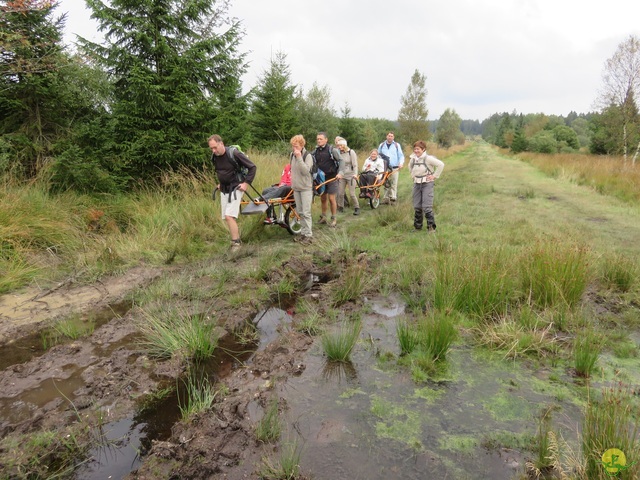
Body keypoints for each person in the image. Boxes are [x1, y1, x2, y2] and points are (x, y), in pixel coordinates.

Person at [208, 135, 257, 250]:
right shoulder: (215, 157)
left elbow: (252, 167)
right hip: (224, 189)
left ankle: (236, 243)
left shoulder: (234, 154)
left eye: (215, 147)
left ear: (221, 143)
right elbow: (222, 171)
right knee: (227, 217)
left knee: (229, 216)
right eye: (211, 148)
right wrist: (221, 183)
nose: (213, 151)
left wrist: (246, 184)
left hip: (236, 188)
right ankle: (236, 239)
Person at [409, 140, 444, 231]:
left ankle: (431, 228)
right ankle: (417, 227)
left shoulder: (428, 158)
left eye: (418, 149)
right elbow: (410, 167)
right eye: (415, 149)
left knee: (427, 206)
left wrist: (434, 176)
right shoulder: (413, 159)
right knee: (417, 206)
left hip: (427, 184)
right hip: (417, 183)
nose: (416, 151)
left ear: (423, 149)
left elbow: (441, 164)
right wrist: (413, 176)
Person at [311, 132, 343, 227]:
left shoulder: (332, 150)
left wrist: (340, 173)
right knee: (323, 198)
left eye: (321, 139)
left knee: (331, 198)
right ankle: (323, 217)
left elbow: (341, 161)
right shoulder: (315, 151)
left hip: (332, 177)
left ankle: (334, 219)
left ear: (326, 139)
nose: (319, 140)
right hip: (321, 179)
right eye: (318, 139)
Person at [290, 134, 314, 244]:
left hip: (306, 188)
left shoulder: (307, 155)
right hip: (296, 188)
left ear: (302, 145)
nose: (294, 149)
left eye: (297, 146)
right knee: (300, 212)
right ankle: (303, 234)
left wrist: (299, 157)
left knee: (306, 212)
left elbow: (305, 171)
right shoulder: (291, 155)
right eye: (293, 146)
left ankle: (309, 235)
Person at [378, 131, 405, 204]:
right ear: (386, 136)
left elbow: (401, 155)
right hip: (385, 167)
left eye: (391, 136)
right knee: (386, 183)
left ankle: (393, 198)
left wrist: (401, 163)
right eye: (389, 136)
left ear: (393, 137)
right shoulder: (382, 145)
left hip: (394, 167)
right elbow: (378, 155)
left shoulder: (396, 145)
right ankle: (386, 199)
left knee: (394, 183)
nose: (390, 137)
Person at [336, 138, 360, 215]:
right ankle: (340, 207)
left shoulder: (351, 152)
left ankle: (357, 207)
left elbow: (355, 165)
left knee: (352, 193)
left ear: (344, 145)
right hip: (342, 175)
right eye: (338, 145)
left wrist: (355, 174)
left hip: (351, 175)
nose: (339, 147)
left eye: (340, 145)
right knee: (340, 193)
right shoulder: (338, 153)